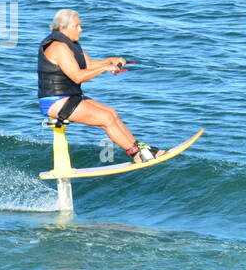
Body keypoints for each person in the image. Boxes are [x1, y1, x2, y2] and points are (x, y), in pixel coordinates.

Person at [36, 9, 164, 162]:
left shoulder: (70, 44)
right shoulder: (58, 47)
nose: (81, 29)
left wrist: (111, 60)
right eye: (77, 26)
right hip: (55, 101)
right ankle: (136, 155)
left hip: (69, 96)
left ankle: (141, 148)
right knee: (106, 118)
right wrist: (104, 68)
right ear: (63, 28)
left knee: (112, 113)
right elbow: (77, 76)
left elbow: (89, 64)